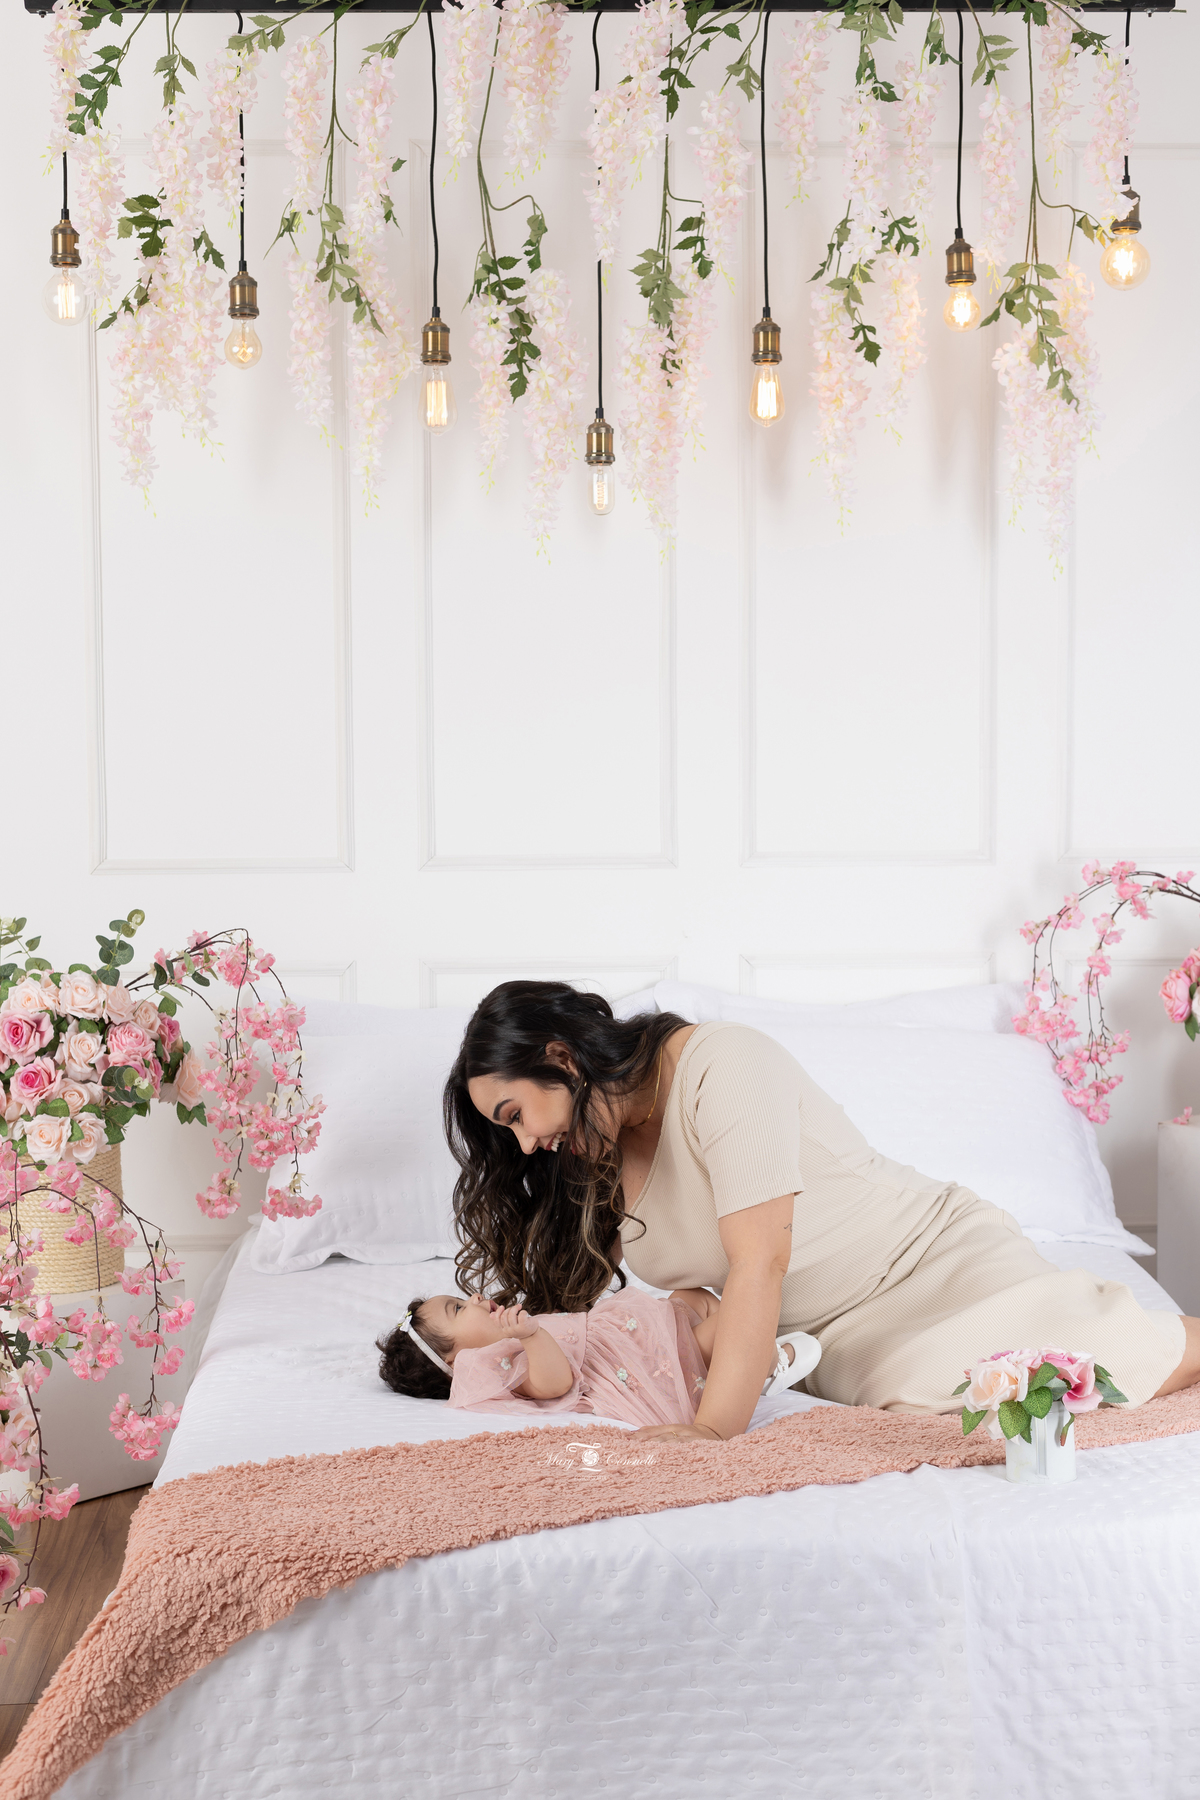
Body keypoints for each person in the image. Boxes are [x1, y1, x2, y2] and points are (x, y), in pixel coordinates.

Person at [442, 981, 1200, 1446]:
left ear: (562, 1058)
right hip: (827, 1344)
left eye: (516, 1113)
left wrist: (712, 1431)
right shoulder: (593, 1152)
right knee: (933, 1407)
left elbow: (758, 1260)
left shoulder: (718, 1063)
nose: (527, 1142)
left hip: (925, 1263)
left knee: (1047, 1370)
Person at [376, 1286, 819, 1426]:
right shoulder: (493, 1367)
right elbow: (556, 1384)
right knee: (736, 1316)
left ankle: (739, 1357)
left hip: (632, 1335)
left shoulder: (503, 1339)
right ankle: (759, 1365)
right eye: (458, 1308)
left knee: (693, 1297)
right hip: (642, 1366)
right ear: (456, 1362)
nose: (474, 1296)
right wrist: (531, 1336)